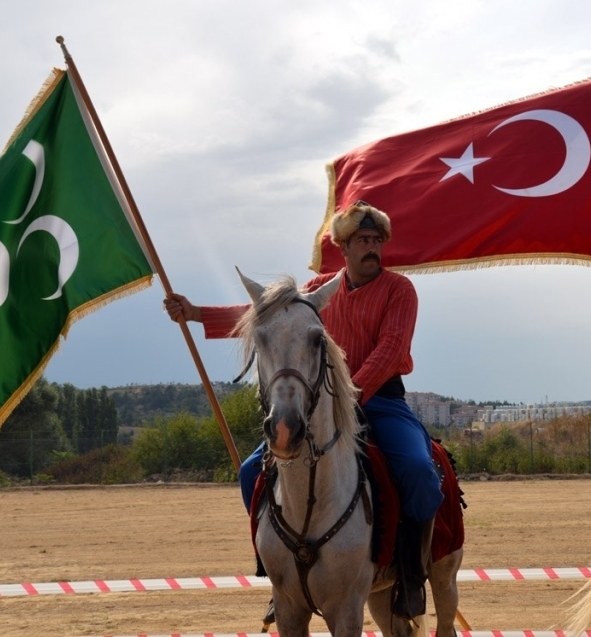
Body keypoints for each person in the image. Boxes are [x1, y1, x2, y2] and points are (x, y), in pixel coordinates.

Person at [164, 200, 443, 620]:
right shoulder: (319, 291)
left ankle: (410, 575)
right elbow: (263, 316)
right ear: (343, 248)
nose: (372, 248)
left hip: (381, 399)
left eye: (376, 240)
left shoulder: (400, 289)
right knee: (248, 473)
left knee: (420, 472)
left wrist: (352, 394)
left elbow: (391, 349)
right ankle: (280, 578)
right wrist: (196, 313)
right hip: (324, 405)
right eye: (362, 241)